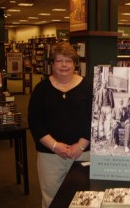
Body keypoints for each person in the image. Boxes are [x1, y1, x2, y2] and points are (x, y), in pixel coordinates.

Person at [28, 42, 93, 208]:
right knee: (52, 198)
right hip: (50, 156)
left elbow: (95, 118)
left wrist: (81, 145)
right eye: (59, 61)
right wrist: (55, 146)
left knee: (84, 197)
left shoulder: (88, 87)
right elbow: (35, 122)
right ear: (52, 64)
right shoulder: (41, 89)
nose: (64, 65)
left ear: (75, 64)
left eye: (68, 61)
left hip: (83, 153)